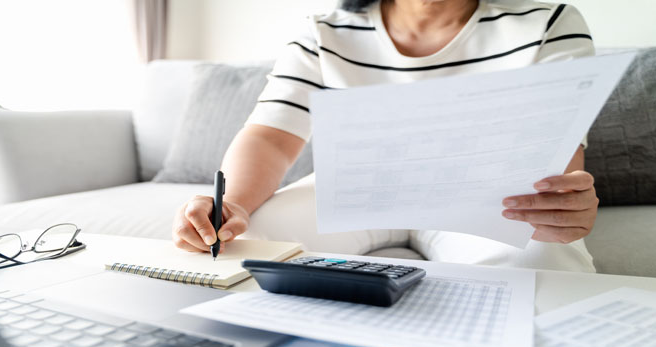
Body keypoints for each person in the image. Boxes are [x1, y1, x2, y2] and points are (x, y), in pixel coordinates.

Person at [172, 0, 599, 272]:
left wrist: (557, 208)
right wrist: (231, 206)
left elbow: (555, 149)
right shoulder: (323, 32)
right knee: (242, 245)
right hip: (354, 190)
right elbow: (270, 135)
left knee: (542, 258)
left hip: (485, 198)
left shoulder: (550, 22)